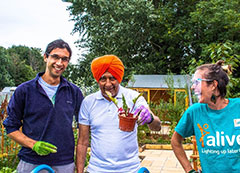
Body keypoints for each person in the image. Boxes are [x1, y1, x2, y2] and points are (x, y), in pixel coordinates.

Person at [3, 39, 84, 173]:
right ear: (46, 57)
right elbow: (11, 128)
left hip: (64, 163)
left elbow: (84, 126)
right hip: (31, 162)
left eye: (64, 59)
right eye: (55, 57)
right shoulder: (25, 91)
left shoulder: (73, 92)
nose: (59, 63)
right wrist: (33, 145)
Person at [76, 55, 161, 173]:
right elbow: (82, 141)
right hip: (97, 169)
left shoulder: (134, 97)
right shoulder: (88, 102)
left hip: (129, 169)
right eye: (103, 79)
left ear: (119, 79)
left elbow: (157, 127)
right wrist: (79, 171)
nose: (108, 84)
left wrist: (150, 119)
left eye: (112, 78)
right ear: (97, 80)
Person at [171, 60, 240, 173]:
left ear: (213, 85)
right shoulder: (194, 112)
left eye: (197, 82)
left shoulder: (238, 107)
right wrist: (190, 170)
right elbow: (175, 141)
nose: (193, 87)